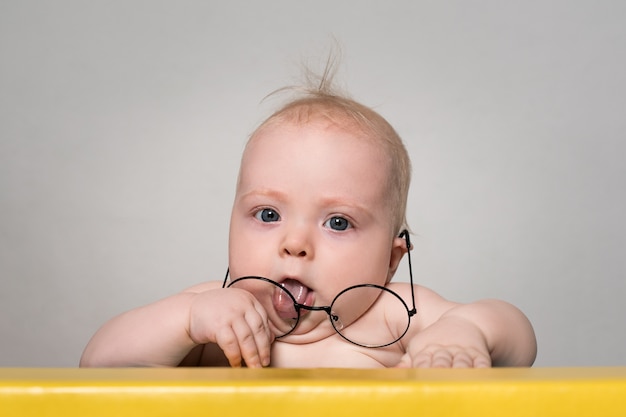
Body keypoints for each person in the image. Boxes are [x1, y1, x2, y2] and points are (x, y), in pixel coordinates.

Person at [80, 72, 537, 369]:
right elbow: (97, 366)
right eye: (268, 214)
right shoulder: (213, 318)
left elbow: (517, 340)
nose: (294, 244)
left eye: (337, 223)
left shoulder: (393, 318)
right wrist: (186, 319)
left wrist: (467, 331)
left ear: (391, 260)